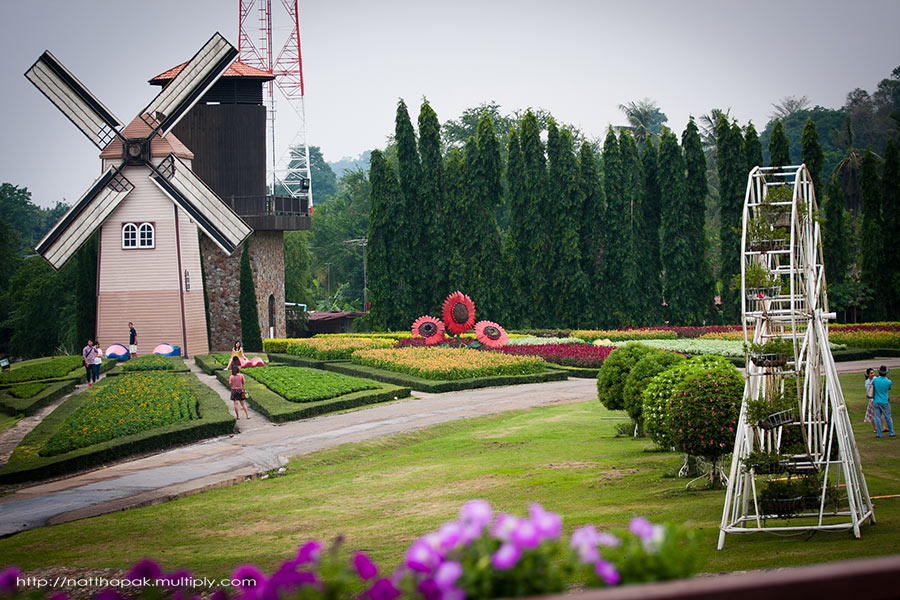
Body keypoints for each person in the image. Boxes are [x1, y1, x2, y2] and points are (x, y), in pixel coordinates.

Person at [871, 365, 895, 438]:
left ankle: (879, 434)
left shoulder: (875, 380)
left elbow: (872, 386)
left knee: (877, 418)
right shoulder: (888, 381)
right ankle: (891, 432)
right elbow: (889, 388)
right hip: (884, 401)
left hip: (876, 401)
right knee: (888, 417)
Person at [864, 368, 889, 434]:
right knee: (873, 414)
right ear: (868, 374)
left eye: (873, 373)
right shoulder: (867, 382)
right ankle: (875, 428)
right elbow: (869, 391)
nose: (873, 374)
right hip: (872, 399)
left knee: (882, 413)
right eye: (871, 373)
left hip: (878, 398)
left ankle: (883, 427)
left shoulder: (876, 379)